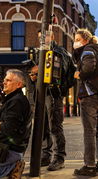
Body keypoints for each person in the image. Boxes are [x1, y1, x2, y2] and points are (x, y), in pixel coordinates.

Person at [35, 30, 75, 171]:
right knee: (44, 127)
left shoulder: (59, 52)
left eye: (44, 37)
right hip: (43, 95)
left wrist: (40, 70)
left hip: (54, 94)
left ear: (52, 37)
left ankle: (59, 158)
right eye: (40, 38)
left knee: (55, 127)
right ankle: (46, 156)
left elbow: (60, 71)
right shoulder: (41, 52)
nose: (42, 40)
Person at [72, 28, 98, 176]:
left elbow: (89, 67)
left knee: (89, 132)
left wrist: (78, 74)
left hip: (90, 95)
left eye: (77, 39)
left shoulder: (87, 51)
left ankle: (90, 166)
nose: (75, 43)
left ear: (85, 40)